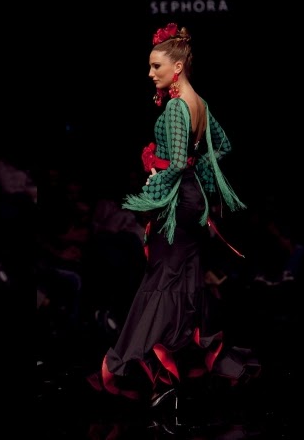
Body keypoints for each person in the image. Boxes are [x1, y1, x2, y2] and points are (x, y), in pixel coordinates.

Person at [87, 23, 260, 414]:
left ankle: (141, 367)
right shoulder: (199, 103)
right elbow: (222, 147)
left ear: (177, 66)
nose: (150, 73)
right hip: (191, 201)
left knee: (162, 281)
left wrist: (154, 185)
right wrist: (197, 177)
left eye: (156, 66)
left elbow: (178, 162)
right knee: (179, 281)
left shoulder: (178, 106)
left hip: (178, 203)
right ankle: (175, 370)